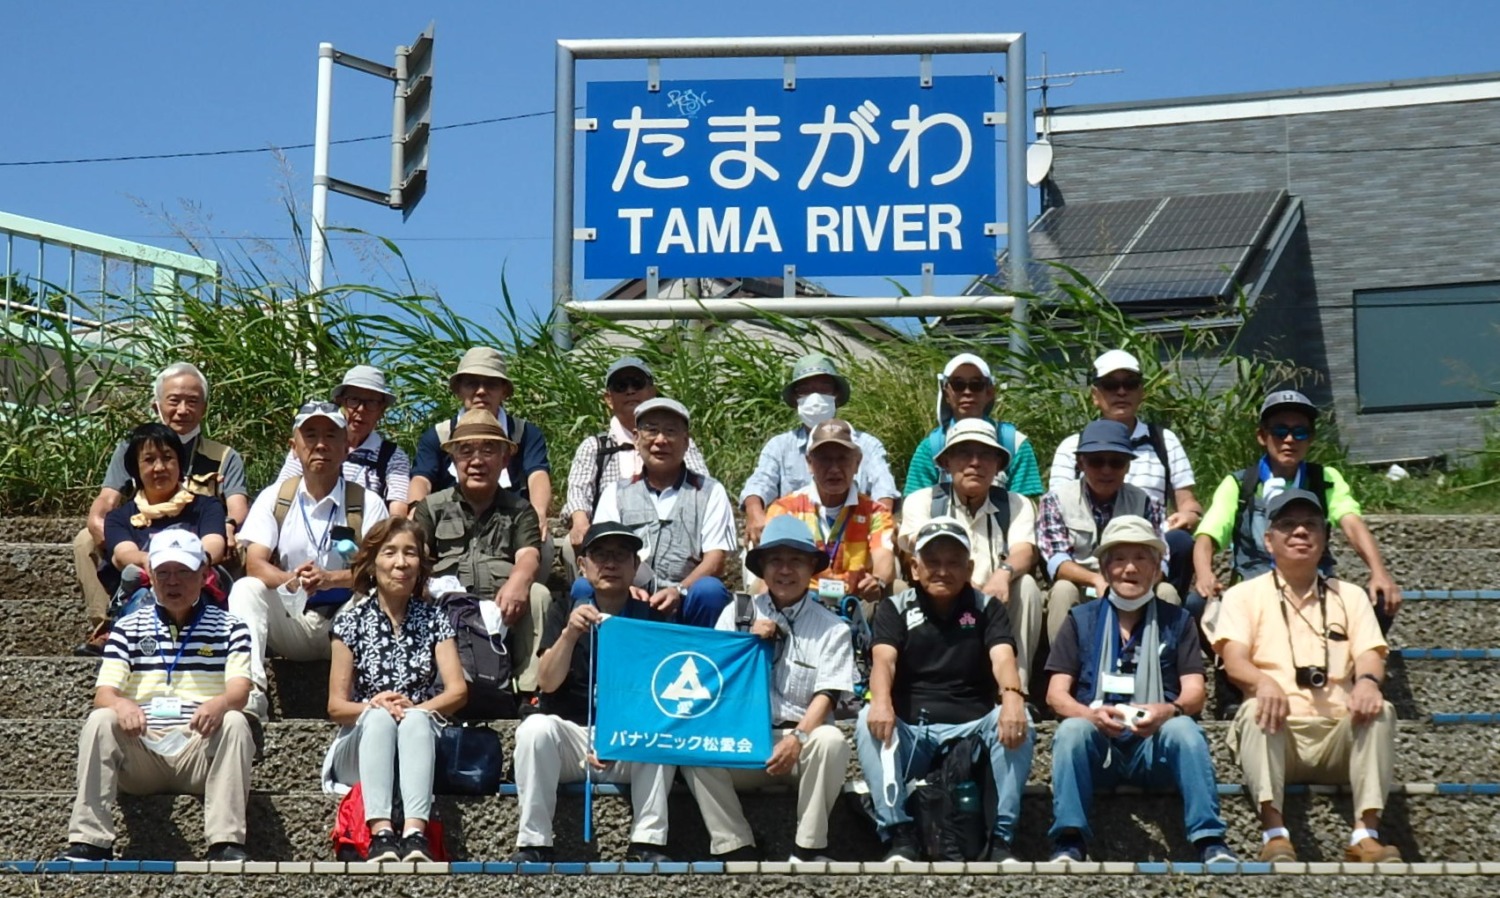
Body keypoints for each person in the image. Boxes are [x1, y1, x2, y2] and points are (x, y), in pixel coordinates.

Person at [1214, 489, 1402, 864]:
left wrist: (1367, 683)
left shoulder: (1350, 596)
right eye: (1288, 525)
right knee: (1254, 709)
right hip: (1279, 731)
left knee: (1381, 710)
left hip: (1338, 734)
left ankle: (1365, 835)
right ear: (1269, 540)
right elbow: (1233, 661)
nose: (1300, 532)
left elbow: (1370, 653)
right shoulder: (1242, 595)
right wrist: (1262, 683)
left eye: (1310, 525)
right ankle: (1274, 834)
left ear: (1325, 537)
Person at [1043, 516, 1237, 865]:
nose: (1129, 568)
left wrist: (1167, 710)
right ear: (1105, 569)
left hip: (1153, 745)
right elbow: (1056, 695)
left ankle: (1210, 840)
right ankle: (1069, 841)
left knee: (1184, 729)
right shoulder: (1080, 620)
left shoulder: (1178, 621)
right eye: (1118, 559)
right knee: (1071, 730)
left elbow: (1195, 692)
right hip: (1100, 746)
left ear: (1157, 570)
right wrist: (1091, 716)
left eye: (1141, 558)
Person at [57, 530, 255, 863]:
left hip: (198, 747)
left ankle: (225, 842)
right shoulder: (126, 627)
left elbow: (240, 690)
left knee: (235, 721)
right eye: (163, 572)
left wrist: (219, 703)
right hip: (142, 747)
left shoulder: (231, 627)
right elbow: (104, 694)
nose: (173, 581)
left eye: (183, 572)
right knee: (101, 719)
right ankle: (89, 840)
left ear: (204, 574)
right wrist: (121, 704)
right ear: (150, 576)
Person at [856, 517, 1033, 863]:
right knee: (867, 719)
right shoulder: (895, 607)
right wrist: (881, 702)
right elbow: (883, 662)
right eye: (932, 562)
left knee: (1018, 717)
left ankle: (1001, 839)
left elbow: (1002, 658)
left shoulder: (987, 608)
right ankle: (899, 835)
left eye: (953, 562)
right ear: (915, 568)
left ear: (969, 568)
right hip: (913, 730)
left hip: (972, 728)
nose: (942, 571)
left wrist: (1013, 698)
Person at [683, 516, 855, 862]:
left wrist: (798, 739)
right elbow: (713, 682)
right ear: (762, 567)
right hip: (744, 741)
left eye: (796, 560)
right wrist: (744, 643)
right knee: (692, 749)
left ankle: (808, 848)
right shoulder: (736, 613)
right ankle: (736, 845)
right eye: (776, 560)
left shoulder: (833, 628)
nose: (785, 570)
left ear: (811, 568)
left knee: (832, 740)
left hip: (800, 743)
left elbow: (828, 695)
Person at [509, 522, 676, 863]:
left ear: (635, 566)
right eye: (600, 555)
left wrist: (618, 739)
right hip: (573, 738)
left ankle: (648, 843)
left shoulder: (652, 618)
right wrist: (569, 634)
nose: (610, 563)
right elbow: (547, 682)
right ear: (583, 565)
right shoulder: (563, 608)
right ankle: (534, 843)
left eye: (621, 556)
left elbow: (660, 699)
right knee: (534, 729)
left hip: (629, 741)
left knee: (663, 736)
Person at [228, 401, 390, 720]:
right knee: (246, 589)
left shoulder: (368, 503)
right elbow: (255, 564)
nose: (320, 445)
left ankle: (373, 694)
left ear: (346, 446)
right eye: (311, 435)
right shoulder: (276, 497)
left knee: (377, 595)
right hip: (292, 617)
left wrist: (330, 579)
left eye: (331, 436)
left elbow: (381, 569)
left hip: (344, 620)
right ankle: (251, 694)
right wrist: (293, 580)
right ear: (294, 447)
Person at [1191, 389, 1401, 630]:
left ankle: (1355, 655)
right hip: (1252, 589)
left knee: (1381, 598)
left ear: (1311, 438)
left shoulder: (1325, 479)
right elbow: (1207, 536)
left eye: (1300, 432)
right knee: (1197, 604)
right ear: (1262, 436)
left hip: (1315, 587)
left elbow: (1352, 524)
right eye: (1280, 431)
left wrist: (1379, 572)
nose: (1289, 440)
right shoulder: (1239, 484)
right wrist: (1205, 575)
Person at [323, 518, 468, 863]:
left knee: (416, 721)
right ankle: (381, 834)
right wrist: (376, 707)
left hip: (417, 739)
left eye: (410, 553)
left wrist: (413, 710)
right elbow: (336, 706)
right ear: (372, 564)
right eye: (390, 553)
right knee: (378, 719)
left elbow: (457, 691)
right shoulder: (350, 621)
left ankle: (415, 835)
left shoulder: (434, 619)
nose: (401, 563)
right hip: (362, 742)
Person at [74, 362, 249, 644]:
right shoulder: (132, 447)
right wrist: (105, 528)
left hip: (203, 536)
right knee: (85, 539)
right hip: (142, 537)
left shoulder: (225, 456)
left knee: (241, 545)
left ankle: (225, 616)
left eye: (192, 401)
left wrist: (227, 527)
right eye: (174, 401)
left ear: (204, 408)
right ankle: (107, 624)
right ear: (156, 406)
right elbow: (107, 499)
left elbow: (238, 507)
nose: (183, 410)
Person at [412, 407, 550, 694]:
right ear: (453, 459)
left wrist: (518, 582)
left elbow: (528, 555)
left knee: (538, 594)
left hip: (502, 605)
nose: (476, 461)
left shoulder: (520, 509)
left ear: (504, 459)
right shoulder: (432, 507)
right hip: (446, 608)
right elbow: (416, 554)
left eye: (488, 450)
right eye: (466, 451)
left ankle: (528, 692)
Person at [899, 418, 1042, 692]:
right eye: (964, 453)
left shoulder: (1017, 503)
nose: (975, 463)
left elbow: (1025, 550)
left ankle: (1016, 691)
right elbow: (917, 548)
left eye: (985, 454)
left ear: (998, 465)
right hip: (943, 599)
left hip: (998, 598)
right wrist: (965, 585)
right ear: (946, 463)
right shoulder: (922, 501)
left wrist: (1003, 574)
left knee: (1027, 587)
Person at [1048, 349, 1203, 596]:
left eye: (1130, 384)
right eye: (1111, 385)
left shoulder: (1164, 441)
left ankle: (1166, 610)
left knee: (1179, 543)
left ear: (1141, 392)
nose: (1121, 392)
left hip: (1146, 545)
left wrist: (1188, 516)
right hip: (1086, 554)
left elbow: (1189, 503)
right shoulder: (1072, 446)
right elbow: (1058, 510)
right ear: (1095, 395)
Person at [588, 397, 736, 628]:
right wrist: (626, 588)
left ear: (686, 441)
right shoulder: (615, 493)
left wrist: (679, 590)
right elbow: (599, 551)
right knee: (583, 588)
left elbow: (715, 560)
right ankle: (591, 651)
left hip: (685, 599)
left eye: (670, 431)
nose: (660, 440)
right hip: (628, 597)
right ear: (636, 438)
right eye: (652, 430)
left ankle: (701, 650)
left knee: (710, 590)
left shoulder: (710, 491)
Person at [1040, 419, 1179, 644]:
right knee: (1063, 590)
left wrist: (1129, 586)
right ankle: (1064, 663)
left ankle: (1162, 663)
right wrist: (1096, 580)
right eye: (1096, 461)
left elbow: (1161, 560)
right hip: (1081, 589)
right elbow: (1057, 561)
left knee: (1167, 592)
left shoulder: (1145, 502)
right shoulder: (1056, 500)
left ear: (1128, 466)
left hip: (1134, 586)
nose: (1106, 470)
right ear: (1081, 463)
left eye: (1116, 462)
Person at [408, 347, 552, 561]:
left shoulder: (525, 433)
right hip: (449, 520)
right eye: (472, 383)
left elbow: (537, 474)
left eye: (491, 384)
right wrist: (415, 509)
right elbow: (422, 478)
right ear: (459, 390)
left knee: (544, 544)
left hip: (512, 519)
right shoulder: (439, 435)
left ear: (504, 391)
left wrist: (539, 512)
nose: (481, 391)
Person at [739, 353, 898, 547]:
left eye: (823, 388)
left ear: (836, 394)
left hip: (854, 540)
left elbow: (884, 487)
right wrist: (755, 513)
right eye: (805, 390)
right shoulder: (779, 446)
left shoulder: (867, 445)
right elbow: (760, 482)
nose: (815, 397)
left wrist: (882, 524)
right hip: (793, 542)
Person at [562, 356, 709, 556]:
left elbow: (701, 487)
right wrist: (580, 522)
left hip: (675, 532)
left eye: (637, 383)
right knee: (570, 545)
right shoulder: (595, 447)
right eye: (620, 386)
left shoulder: (680, 444)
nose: (630, 391)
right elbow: (578, 491)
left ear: (652, 391)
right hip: (610, 540)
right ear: (608, 398)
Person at [93, 422, 229, 635]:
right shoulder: (119, 517)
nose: (159, 467)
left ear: (180, 463)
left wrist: (184, 569)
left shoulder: (206, 507)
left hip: (197, 591)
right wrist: (152, 564)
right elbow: (123, 553)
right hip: (142, 596)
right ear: (135, 468)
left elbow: (214, 546)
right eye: (149, 460)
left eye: (167, 458)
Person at [761, 419, 896, 606]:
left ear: (857, 463)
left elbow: (884, 557)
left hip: (856, 601)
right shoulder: (785, 509)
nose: (834, 469)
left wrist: (877, 582)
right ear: (809, 463)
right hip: (800, 602)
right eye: (824, 459)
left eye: (842, 458)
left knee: (898, 589)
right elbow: (770, 565)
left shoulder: (875, 512)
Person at [902, 352, 1044, 498]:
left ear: (989, 392)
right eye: (958, 385)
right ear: (946, 394)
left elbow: (1026, 502)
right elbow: (915, 502)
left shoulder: (1015, 444)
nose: (967, 392)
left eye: (976, 385)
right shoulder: (930, 448)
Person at [276, 365, 412, 518]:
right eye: (354, 400)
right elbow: (281, 492)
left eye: (372, 402)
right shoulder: (310, 447)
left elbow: (397, 513)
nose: (361, 409)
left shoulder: (393, 456)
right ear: (339, 402)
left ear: (382, 410)